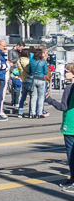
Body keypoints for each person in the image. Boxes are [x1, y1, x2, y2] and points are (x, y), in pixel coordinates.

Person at [44, 62, 74, 190]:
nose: (64, 73)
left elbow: (64, 107)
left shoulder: (69, 88)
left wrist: (49, 99)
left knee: (71, 155)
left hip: (70, 125)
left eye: (66, 71)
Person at [27, 48, 48, 119]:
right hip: (41, 79)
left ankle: (32, 113)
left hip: (33, 79)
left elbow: (29, 71)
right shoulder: (43, 62)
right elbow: (46, 72)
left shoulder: (31, 61)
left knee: (33, 97)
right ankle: (39, 113)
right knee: (41, 97)